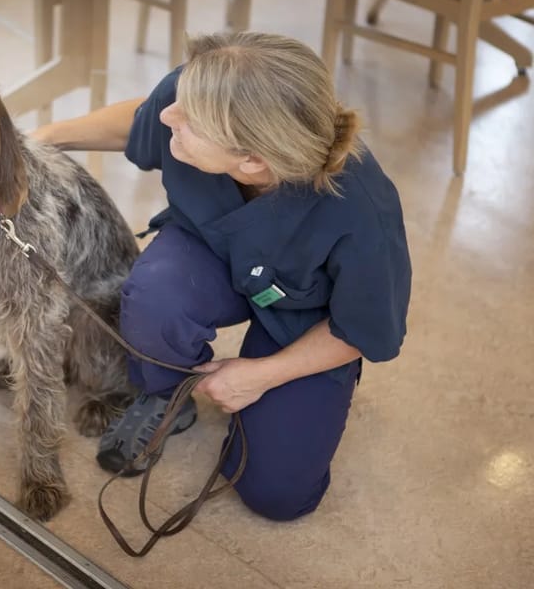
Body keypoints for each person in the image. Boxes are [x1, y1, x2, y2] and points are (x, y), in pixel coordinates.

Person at [32, 32, 411, 521]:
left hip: (306, 315)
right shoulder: (200, 92)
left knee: (276, 497)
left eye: (186, 120)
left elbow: (364, 327)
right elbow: (144, 116)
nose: (170, 114)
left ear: (252, 161)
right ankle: (166, 395)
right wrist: (44, 138)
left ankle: (274, 413)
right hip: (210, 249)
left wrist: (261, 376)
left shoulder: (361, 212)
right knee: (154, 295)